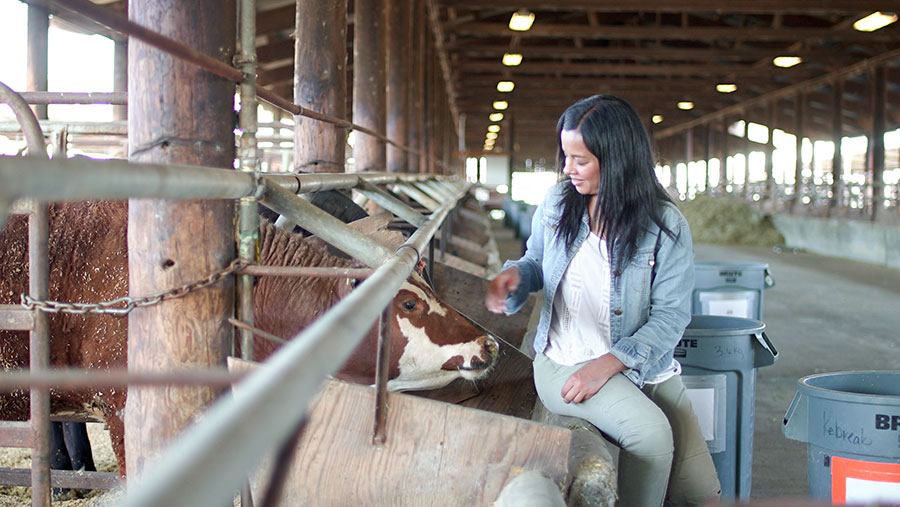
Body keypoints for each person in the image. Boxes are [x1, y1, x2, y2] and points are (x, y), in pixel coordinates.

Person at [485, 95, 721, 507]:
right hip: (566, 362)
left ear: (617, 160)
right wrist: (516, 277)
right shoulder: (559, 204)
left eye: (580, 159)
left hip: (642, 365)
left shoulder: (665, 225)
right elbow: (535, 262)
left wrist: (609, 364)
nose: (567, 169)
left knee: (702, 492)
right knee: (650, 434)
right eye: (566, 156)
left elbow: (671, 316)